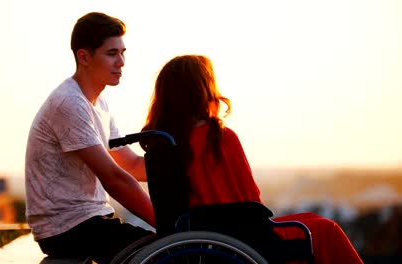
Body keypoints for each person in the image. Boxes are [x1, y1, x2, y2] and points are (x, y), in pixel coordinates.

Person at [142, 54, 363, 264]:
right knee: (327, 229)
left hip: (198, 239)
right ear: (203, 90)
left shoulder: (162, 145)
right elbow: (251, 200)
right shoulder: (219, 137)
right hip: (242, 237)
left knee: (311, 218)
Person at [25, 12, 154, 264]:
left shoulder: (99, 102)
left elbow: (131, 165)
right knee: (161, 253)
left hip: (91, 219)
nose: (122, 62)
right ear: (83, 56)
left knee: (162, 248)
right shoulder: (69, 103)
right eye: (111, 53)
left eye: (122, 52)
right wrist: (169, 225)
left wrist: (185, 167)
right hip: (67, 227)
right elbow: (114, 179)